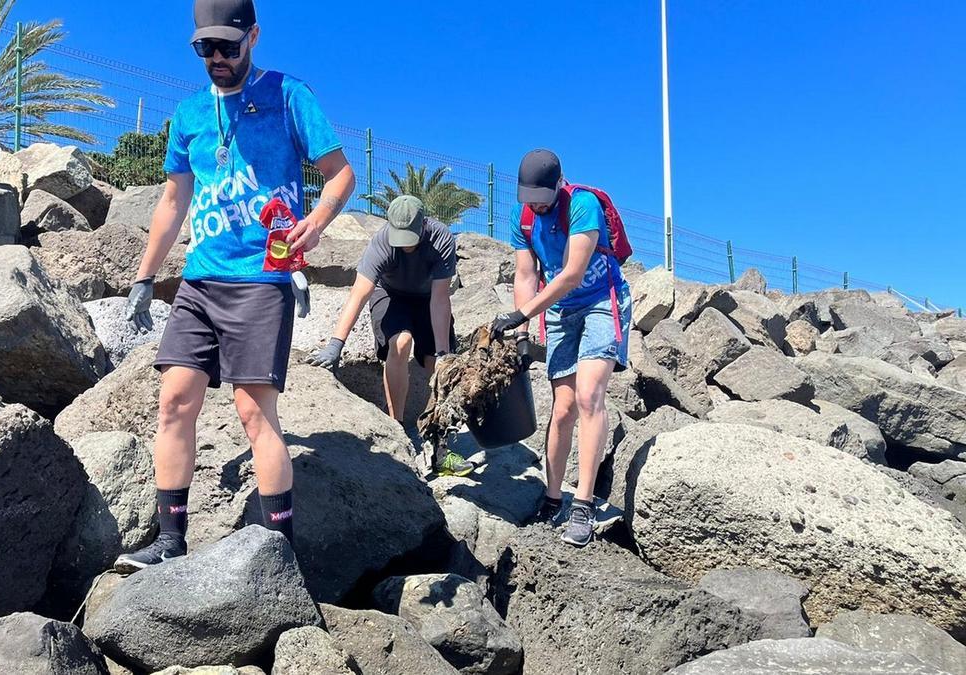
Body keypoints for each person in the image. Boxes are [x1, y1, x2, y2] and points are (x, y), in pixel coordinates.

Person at [117, 0, 356, 571]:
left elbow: (341, 174)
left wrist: (314, 224)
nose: (218, 57)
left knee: (253, 413)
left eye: (229, 45)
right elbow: (173, 201)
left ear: (254, 36)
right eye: (206, 48)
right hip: (200, 280)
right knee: (174, 401)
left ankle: (282, 555)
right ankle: (170, 540)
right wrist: (145, 277)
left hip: (261, 278)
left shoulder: (289, 96)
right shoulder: (189, 114)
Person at [490, 149, 632, 547]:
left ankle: (582, 504)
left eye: (540, 194)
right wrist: (522, 335)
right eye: (527, 195)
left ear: (559, 183)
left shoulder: (582, 205)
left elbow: (571, 274)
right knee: (564, 406)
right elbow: (526, 273)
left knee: (589, 396)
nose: (534, 203)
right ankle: (553, 498)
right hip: (559, 313)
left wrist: (520, 315)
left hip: (601, 302)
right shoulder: (523, 218)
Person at [307, 196, 473, 477]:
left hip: (428, 299)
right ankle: (397, 432)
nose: (404, 243)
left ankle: (439, 446)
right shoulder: (382, 242)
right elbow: (360, 292)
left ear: (423, 225)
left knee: (438, 364)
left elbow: (440, 298)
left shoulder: (441, 240)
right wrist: (336, 344)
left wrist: (444, 352)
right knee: (401, 341)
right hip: (390, 295)